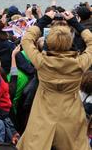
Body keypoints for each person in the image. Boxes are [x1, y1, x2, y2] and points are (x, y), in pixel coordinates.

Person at [17, 10, 92, 150]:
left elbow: (26, 39)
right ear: (70, 41)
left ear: (49, 41)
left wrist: (44, 20)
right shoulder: (79, 64)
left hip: (43, 113)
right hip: (71, 114)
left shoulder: (42, 62)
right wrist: (75, 23)